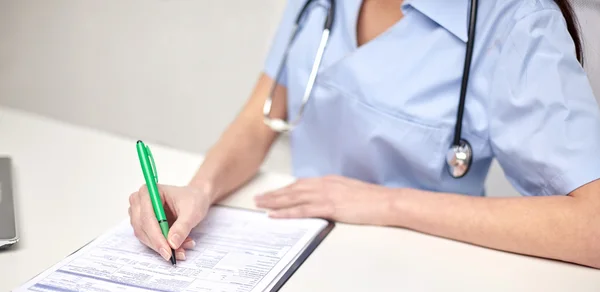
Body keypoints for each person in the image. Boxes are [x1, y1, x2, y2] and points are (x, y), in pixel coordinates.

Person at [128, 0, 600, 269]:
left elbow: (592, 227)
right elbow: (262, 116)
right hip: (291, 253)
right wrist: (199, 188)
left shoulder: (517, 20)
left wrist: (387, 204)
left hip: (426, 276)